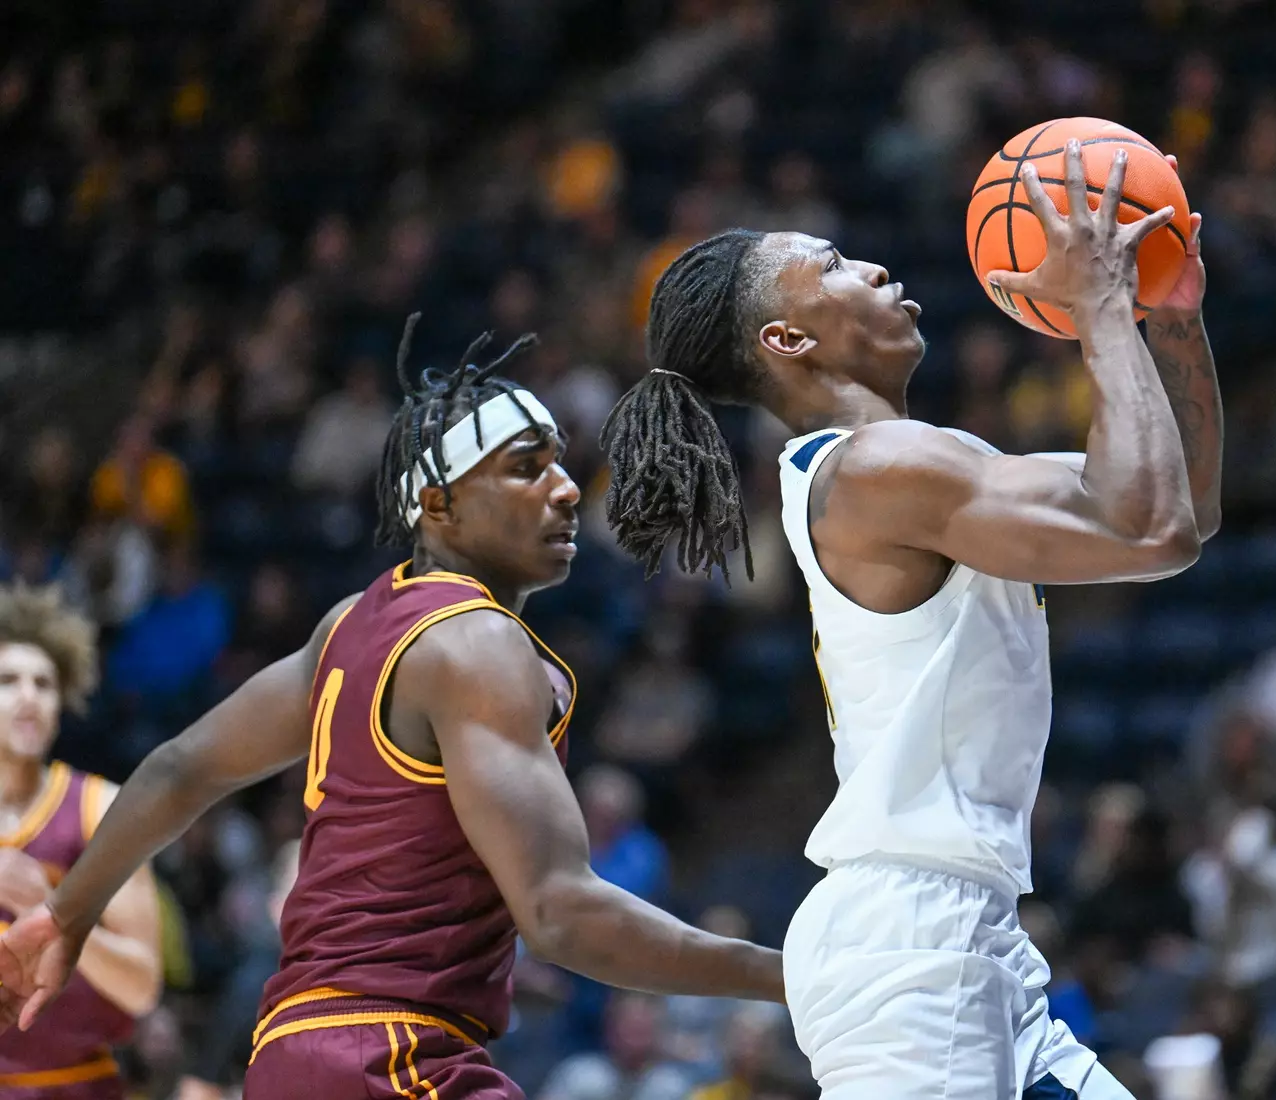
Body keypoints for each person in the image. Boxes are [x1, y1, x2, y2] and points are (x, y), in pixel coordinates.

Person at [0, 320, 784, 1099]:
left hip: (287, 1058)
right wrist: (787, 977)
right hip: (393, 1056)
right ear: (438, 506)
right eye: (526, 469)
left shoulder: (346, 627)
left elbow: (180, 768)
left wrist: (68, 915)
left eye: (559, 463)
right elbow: (557, 911)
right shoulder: (476, 643)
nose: (567, 486)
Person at [600, 145, 1222, 1097]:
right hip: (909, 952)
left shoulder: (911, 465)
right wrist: (1100, 309)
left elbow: (1180, 508)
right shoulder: (879, 471)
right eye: (836, 266)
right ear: (790, 340)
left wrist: (1171, 316)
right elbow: (1150, 525)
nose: (877, 269)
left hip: (968, 933)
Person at [0, 583, 162, 1097]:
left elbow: (141, 987)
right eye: (8, 680)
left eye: (44, 684)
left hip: (75, 1085)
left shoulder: (100, 807)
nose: (29, 696)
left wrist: (55, 914)